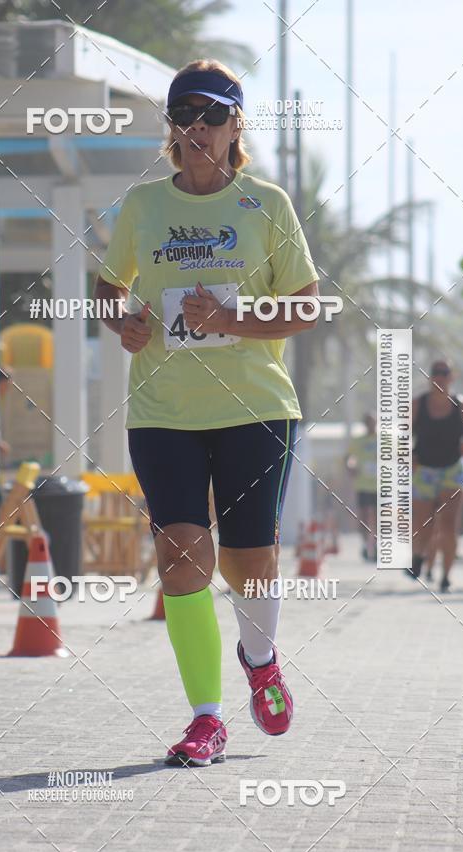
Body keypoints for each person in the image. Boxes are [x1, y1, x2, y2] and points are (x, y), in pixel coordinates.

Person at [96, 59, 320, 766]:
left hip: (254, 406)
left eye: (212, 115)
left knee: (249, 562)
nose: (197, 128)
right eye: (184, 114)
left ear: (234, 127)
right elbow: (109, 291)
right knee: (182, 554)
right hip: (164, 409)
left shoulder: (267, 204)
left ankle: (261, 659)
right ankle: (206, 718)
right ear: (171, 125)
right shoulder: (144, 207)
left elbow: (306, 306)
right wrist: (124, 321)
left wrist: (233, 316)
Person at [409, 360, 463, 592]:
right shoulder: (417, 404)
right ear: (430, 378)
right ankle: (418, 556)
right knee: (424, 523)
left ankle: (446, 576)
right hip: (424, 470)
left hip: (452, 469)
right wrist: (408, 457)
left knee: (449, 525)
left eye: (444, 373)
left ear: (451, 378)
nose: (439, 377)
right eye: (435, 373)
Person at [345, 413, 378, 561]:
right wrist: (350, 467)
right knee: (364, 516)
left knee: (378, 516)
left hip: (380, 485)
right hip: (363, 484)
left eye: (373, 422)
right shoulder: (358, 441)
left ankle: (376, 545)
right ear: (365, 424)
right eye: (368, 422)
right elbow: (348, 457)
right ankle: (366, 545)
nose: (371, 425)